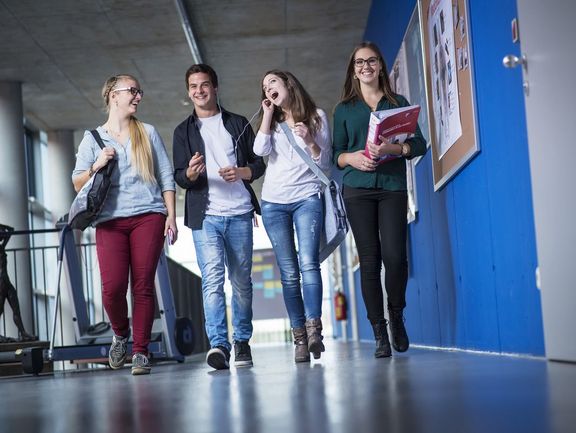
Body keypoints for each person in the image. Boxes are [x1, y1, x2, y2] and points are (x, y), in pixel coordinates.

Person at [72, 74, 177, 375]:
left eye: (139, 91)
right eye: (132, 91)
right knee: (112, 289)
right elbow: (77, 182)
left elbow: (166, 177)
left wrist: (170, 215)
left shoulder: (148, 132)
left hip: (148, 215)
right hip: (109, 221)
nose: (138, 96)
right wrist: (97, 165)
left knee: (142, 286)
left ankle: (141, 352)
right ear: (112, 95)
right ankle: (121, 334)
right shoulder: (92, 139)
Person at [332, 42, 426, 358]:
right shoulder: (344, 109)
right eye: (359, 62)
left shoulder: (398, 103)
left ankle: (396, 314)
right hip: (357, 190)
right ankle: (379, 331)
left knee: (396, 258)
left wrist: (394, 150)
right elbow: (336, 156)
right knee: (370, 262)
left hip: (392, 187)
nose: (366, 66)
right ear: (353, 69)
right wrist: (352, 158)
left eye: (372, 60)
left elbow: (420, 145)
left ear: (381, 65)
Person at [173, 64, 265, 370]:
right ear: (189, 92)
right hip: (205, 216)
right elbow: (178, 177)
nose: (199, 91)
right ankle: (219, 346)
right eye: (193, 86)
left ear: (215, 88)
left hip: (239, 213)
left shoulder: (238, 123)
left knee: (241, 282)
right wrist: (189, 172)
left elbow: (258, 165)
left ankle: (242, 342)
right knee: (212, 281)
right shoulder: (183, 132)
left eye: (205, 85)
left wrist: (241, 172)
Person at [254, 70, 332, 362]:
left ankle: (314, 332)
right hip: (274, 204)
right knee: (288, 274)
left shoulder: (316, 116)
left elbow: (324, 164)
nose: (268, 87)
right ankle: (299, 338)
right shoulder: (271, 124)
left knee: (309, 264)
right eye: (264, 86)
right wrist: (266, 114)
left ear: (288, 83)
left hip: (306, 199)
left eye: (272, 81)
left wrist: (311, 140)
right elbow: (259, 150)